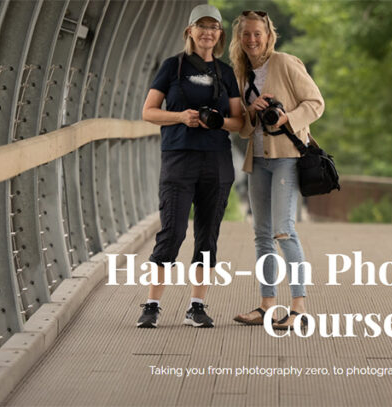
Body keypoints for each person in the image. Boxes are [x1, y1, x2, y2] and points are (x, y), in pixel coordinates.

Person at [136, 4, 243, 328]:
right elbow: (149, 112)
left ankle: (197, 306)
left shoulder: (226, 73)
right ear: (190, 31)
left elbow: (238, 122)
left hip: (216, 159)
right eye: (201, 26)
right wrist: (181, 117)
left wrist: (217, 121)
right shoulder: (172, 67)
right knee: (173, 230)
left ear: (220, 34)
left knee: (208, 235)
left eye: (213, 27)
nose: (207, 32)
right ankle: (152, 304)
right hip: (179, 156)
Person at [228, 10, 325, 330]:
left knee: (284, 230)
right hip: (257, 160)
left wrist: (287, 119)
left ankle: (299, 307)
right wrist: (251, 112)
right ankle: (267, 305)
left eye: (258, 33)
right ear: (239, 39)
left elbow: (315, 103)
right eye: (246, 35)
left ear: (269, 35)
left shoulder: (285, 63)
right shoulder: (241, 73)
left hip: (286, 157)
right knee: (261, 236)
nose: (252, 40)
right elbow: (242, 130)